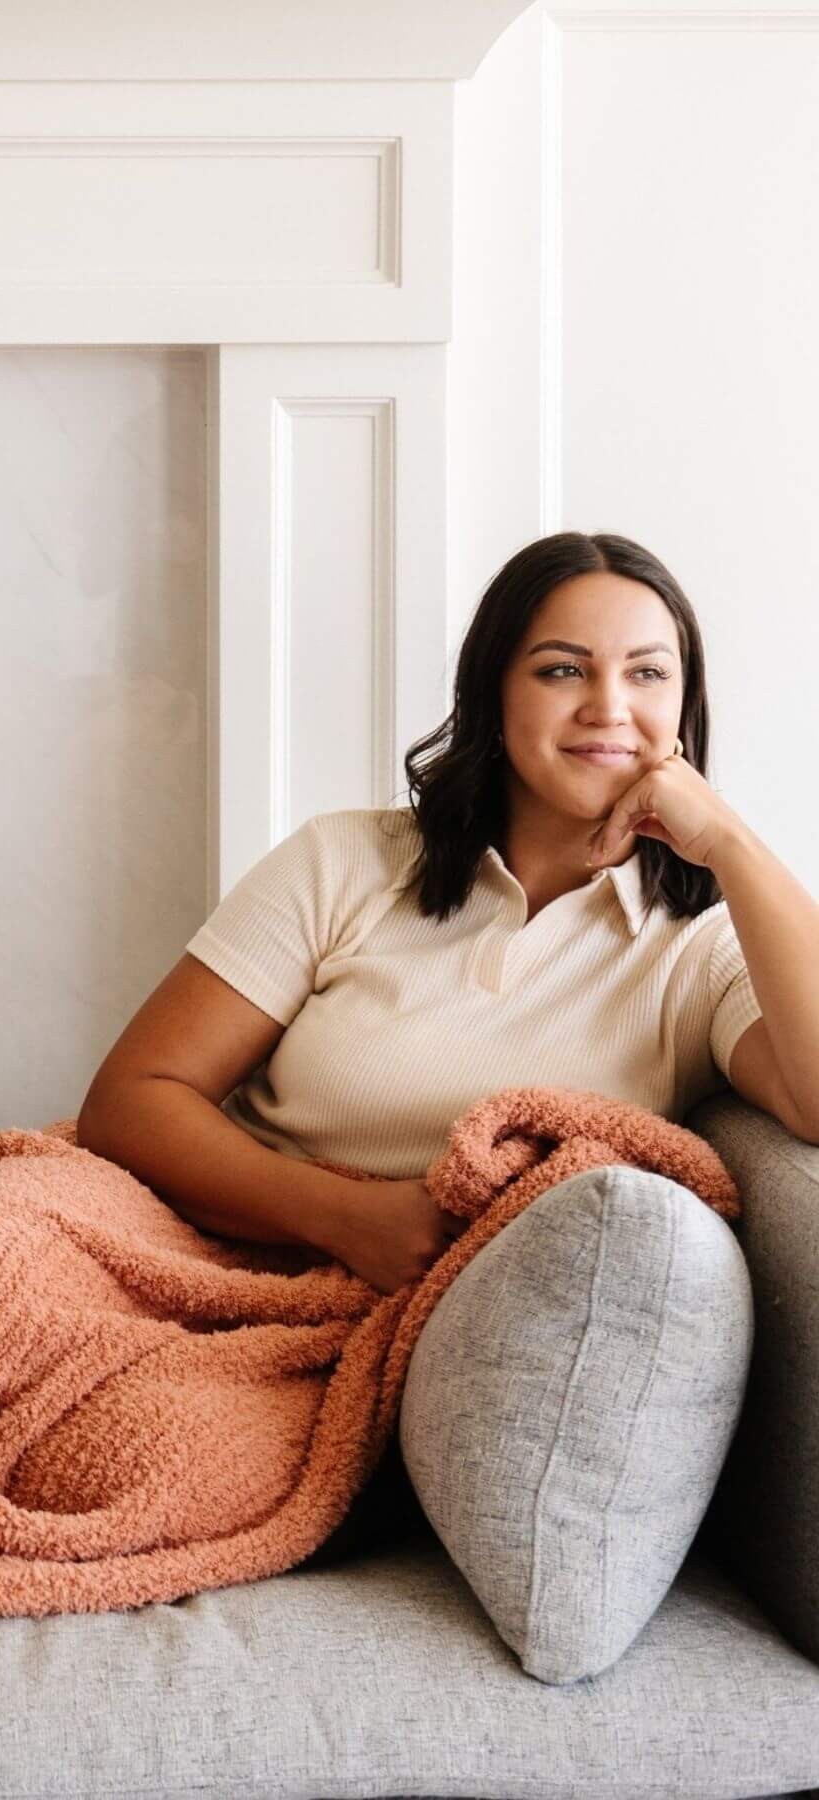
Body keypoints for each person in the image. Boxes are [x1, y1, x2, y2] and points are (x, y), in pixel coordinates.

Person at [75, 528, 819, 1564]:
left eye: (647, 674)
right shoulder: (347, 860)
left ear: (683, 712)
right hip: (199, 1247)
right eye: (563, 669)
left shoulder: (700, 949)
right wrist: (351, 1215)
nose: (609, 706)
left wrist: (731, 843)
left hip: (388, 1345)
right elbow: (133, 1097)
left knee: (145, 1446)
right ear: (495, 697)